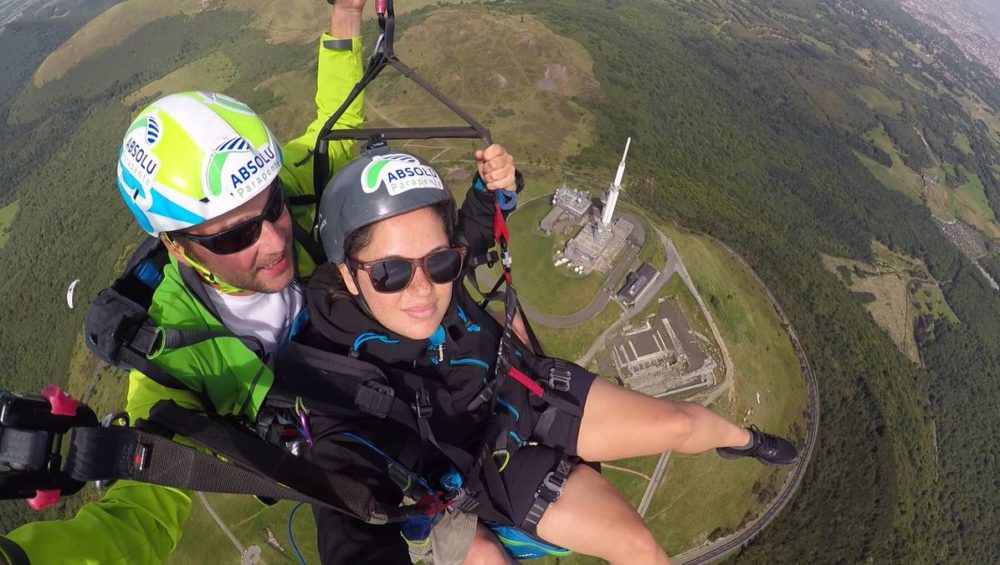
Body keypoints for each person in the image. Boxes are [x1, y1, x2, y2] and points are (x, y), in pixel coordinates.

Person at [0, 3, 515, 564]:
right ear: (177, 246)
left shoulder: (277, 188)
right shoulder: (172, 351)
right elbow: (139, 518)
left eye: (272, 208)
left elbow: (330, 134)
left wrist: (344, 18)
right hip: (345, 464)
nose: (272, 241)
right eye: (231, 237)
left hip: (409, 375)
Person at [299, 146, 800, 565]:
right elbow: (346, 502)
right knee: (640, 548)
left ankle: (746, 440)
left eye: (440, 262)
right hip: (491, 463)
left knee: (681, 425)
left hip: (529, 390)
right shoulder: (333, 371)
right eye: (390, 272)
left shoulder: (441, 263)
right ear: (347, 273)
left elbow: (478, 222)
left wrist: (496, 181)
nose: (423, 288)